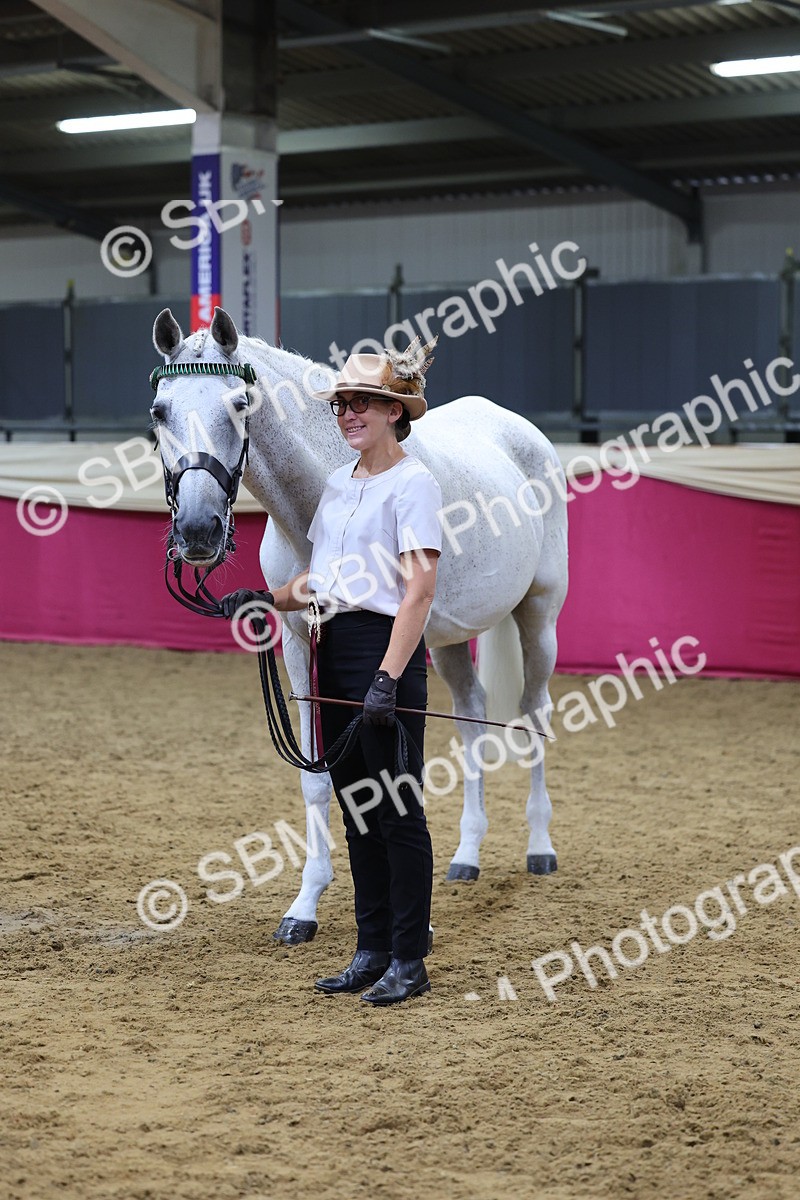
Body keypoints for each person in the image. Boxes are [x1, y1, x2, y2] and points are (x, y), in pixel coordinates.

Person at [221, 338, 442, 1006]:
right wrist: (265, 598)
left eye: (363, 405)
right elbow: (325, 579)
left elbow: (419, 591)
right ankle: (371, 949)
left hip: (385, 652)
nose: (348, 415)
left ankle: (409, 957)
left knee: (398, 812)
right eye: (343, 405)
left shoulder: (415, 483)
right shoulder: (341, 485)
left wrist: (387, 677)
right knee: (356, 812)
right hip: (334, 647)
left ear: (395, 412)